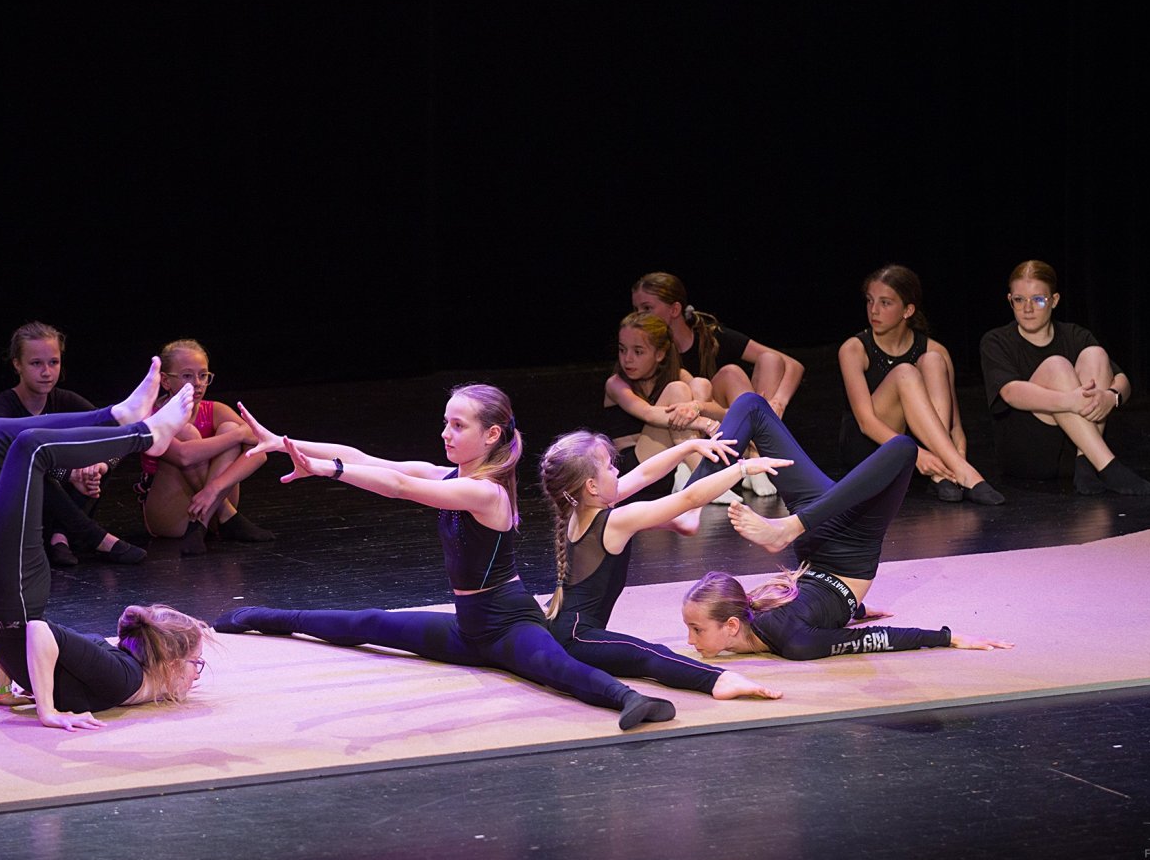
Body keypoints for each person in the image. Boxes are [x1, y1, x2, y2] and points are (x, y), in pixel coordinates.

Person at [214, 384, 681, 730]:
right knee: (368, 624)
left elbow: (398, 487)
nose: (445, 433)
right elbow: (367, 458)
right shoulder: (449, 476)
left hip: (509, 625)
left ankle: (633, 700)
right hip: (467, 628)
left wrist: (325, 470)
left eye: (458, 426)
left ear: (491, 434)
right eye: (446, 423)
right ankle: (258, 616)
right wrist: (284, 443)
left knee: (559, 671)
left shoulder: (487, 493)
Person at [0, 360, 209, 730]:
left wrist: (18, 696)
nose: (196, 676)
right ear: (171, 664)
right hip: (0, 598)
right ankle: (135, 429)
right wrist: (42, 705)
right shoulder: (125, 678)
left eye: (197, 665)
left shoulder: (122, 677)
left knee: (2, 440)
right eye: (196, 665)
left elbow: (31, 638)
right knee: (12, 443)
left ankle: (126, 424)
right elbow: (34, 634)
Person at [679, 393, 1013, 661]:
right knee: (903, 449)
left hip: (828, 539)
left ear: (732, 625)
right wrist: (855, 610)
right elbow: (855, 630)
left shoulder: (786, 634)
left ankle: (696, 507)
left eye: (696, 629)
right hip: (836, 537)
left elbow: (862, 634)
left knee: (753, 406)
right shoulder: (773, 624)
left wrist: (944, 637)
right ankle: (699, 507)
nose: (691, 640)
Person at [538, 428, 784, 700]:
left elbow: (644, 474)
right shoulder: (614, 520)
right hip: (576, 639)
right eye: (609, 467)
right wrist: (743, 469)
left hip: (562, 629)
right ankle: (718, 680)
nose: (617, 471)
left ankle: (682, 522)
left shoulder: (580, 507)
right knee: (649, 655)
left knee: (645, 654)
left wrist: (688, 448)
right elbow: (689, 498)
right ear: (591, 486)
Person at [978, 260, 1150, 495]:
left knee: (1095, 354)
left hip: (1075, 453)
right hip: (1029, 452)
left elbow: (1122, 380)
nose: (1027, 308)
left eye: (1038, 300)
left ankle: (1086, 463)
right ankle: (1108, 466)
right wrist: (1070, 401)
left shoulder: (1074, 335)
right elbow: (1010, 392)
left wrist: (1110, 397)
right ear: (1010, 300)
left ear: (1054, 300)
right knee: (1057, 366)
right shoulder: (996, 341)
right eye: (1019, 300)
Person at [837, 264, 1004, 504]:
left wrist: (955, 461)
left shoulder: (936, 350)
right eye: (870, 301)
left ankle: (942, 475)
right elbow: (866, 423)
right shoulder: (854, 349)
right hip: (868, 449)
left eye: (885, 303)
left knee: (933, 361)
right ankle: (966, 474)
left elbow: (954, 426)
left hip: (923, 452)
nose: (874, 310)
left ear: (908, 310)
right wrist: (918, 455)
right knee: (905, 373)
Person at [0, 321, 146, 567]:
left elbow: (116, 439)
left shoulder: (66, 400)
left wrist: (101, 465)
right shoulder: (1, 408)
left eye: (53, 362)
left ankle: (61, 538)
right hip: (18, 511)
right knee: (31, 470)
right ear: (17, 364)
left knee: (97, 463)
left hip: (62, 509)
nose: (46, 372)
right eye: (36, 363)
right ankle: (95, 537)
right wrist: (68, 473)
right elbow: (8, 463)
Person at [632, 271, 805, 496]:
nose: (640, 316)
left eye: (647, 308)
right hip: (683, 430)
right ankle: (707, 464)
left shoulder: (710, 336)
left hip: (716, 422)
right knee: (698, 386)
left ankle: (756, 453)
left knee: (757, 364)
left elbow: (792, 365)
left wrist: (778, 402)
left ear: (674, 309)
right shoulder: (646, 350)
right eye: (636, 309)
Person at [135, 338, 273, 556]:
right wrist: (239, 435)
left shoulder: (215, 410)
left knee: (229, 428)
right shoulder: (151, 416)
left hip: (212, 501)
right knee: (190, 432)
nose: (198, 383)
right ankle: (227, 515)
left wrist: (214, 489)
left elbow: (261, 451)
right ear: (166, 381)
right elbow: (183, 456)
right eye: (187, 376)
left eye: (203, 375)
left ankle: (204, 523)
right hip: (172, 511)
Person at [599, 311, 735, 504]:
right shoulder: (616, 384)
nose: (627, 359)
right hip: (634, 472)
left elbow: (720, 413)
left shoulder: (677, 373)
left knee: (701, 384)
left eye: (638, 352)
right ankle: (704, 478)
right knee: (677, 389)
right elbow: (648, 413)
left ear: (660, 354)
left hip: (666, 469)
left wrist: (696, 406)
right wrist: (700, 422)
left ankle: (688, 470)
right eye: (622, 350)